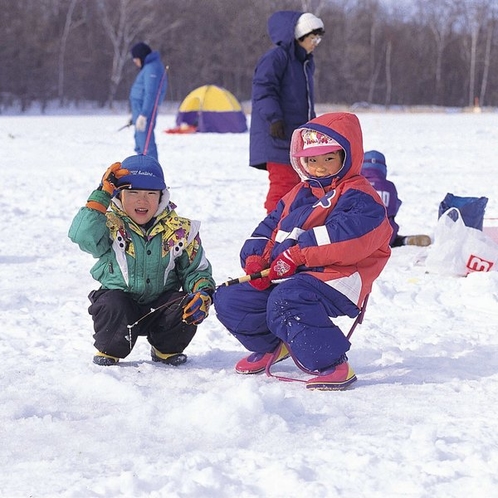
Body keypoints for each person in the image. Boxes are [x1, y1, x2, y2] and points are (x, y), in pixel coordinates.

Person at [214, 112, 392, 390]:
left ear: (347, 157)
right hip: (293, 272)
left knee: (287, 299)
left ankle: (333, 364)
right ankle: (274, 345)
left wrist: (296, 256)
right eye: (312, 160)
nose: (319, 168)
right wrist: (255, 257)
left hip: (340, 276)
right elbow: (269, 227)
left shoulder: (360, 195)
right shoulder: (299, 193)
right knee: (230, 298)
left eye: (328, 159)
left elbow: (344, 239)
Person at [68, 154, 215, 366]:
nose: (142, 200)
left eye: (150, 193)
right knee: (112, 303)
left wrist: (202, 292)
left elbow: (195, 271)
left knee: (183, 303)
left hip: (162, 306)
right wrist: (101, 195)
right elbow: (81, 235)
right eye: (133, 192)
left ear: (161, 196)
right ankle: (110, 348)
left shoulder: (181, 230)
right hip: (121, 306)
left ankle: (166, 349)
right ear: (119, 195)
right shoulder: (108, 223)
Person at [250, 11, 325, 214]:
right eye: (313, 37)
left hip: (296, 135)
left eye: (319, 38)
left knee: (295, 185)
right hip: (277, 133)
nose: (316, 42)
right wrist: (274, 118)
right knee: (283, 184)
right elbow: (263, 90)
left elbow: (305, 102)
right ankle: (272, 230)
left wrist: (312, 127)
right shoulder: (276, 57)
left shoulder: (305, 62)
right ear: (300, 36)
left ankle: (289, 226)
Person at [361, 150, 431, 247]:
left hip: (359, 237)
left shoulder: (356, 185)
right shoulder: (390, 187)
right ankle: (404, 240)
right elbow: (394, 208)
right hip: (386, 236)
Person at [129, 42, 167, 161]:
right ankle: (141, 171)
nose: (135, 62)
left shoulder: (152, 68)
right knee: (140, 144)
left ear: (141, 56)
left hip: (145, 112)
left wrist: (143, 115)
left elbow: (150, 94)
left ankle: (150, 173)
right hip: (139, 112)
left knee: (146, 146)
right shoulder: (149, 67)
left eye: (136, 58)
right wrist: (135, 116)